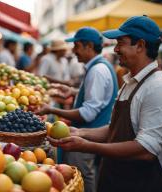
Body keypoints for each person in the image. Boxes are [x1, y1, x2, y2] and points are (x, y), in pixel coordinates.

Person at [48, 16, 162, 192]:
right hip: (119, 179)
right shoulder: (130, 83)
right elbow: (114, 129)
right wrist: (81, 132)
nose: (115, 49)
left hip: (142, 184)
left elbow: (145, 150)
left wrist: (86, 145)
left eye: (120, 43)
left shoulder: (158, 88)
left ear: (140, 46)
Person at [37, 27, 118, 192]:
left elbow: (87, 113)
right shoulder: (100, 66)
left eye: (77, 46)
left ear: (88, 46)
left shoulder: (97, 70)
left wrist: (52, 110)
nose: (74, 51)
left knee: (82, 175)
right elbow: (97, 99)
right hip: (90, 132)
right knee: (85, 173)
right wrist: (73, 91)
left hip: (89, 133)